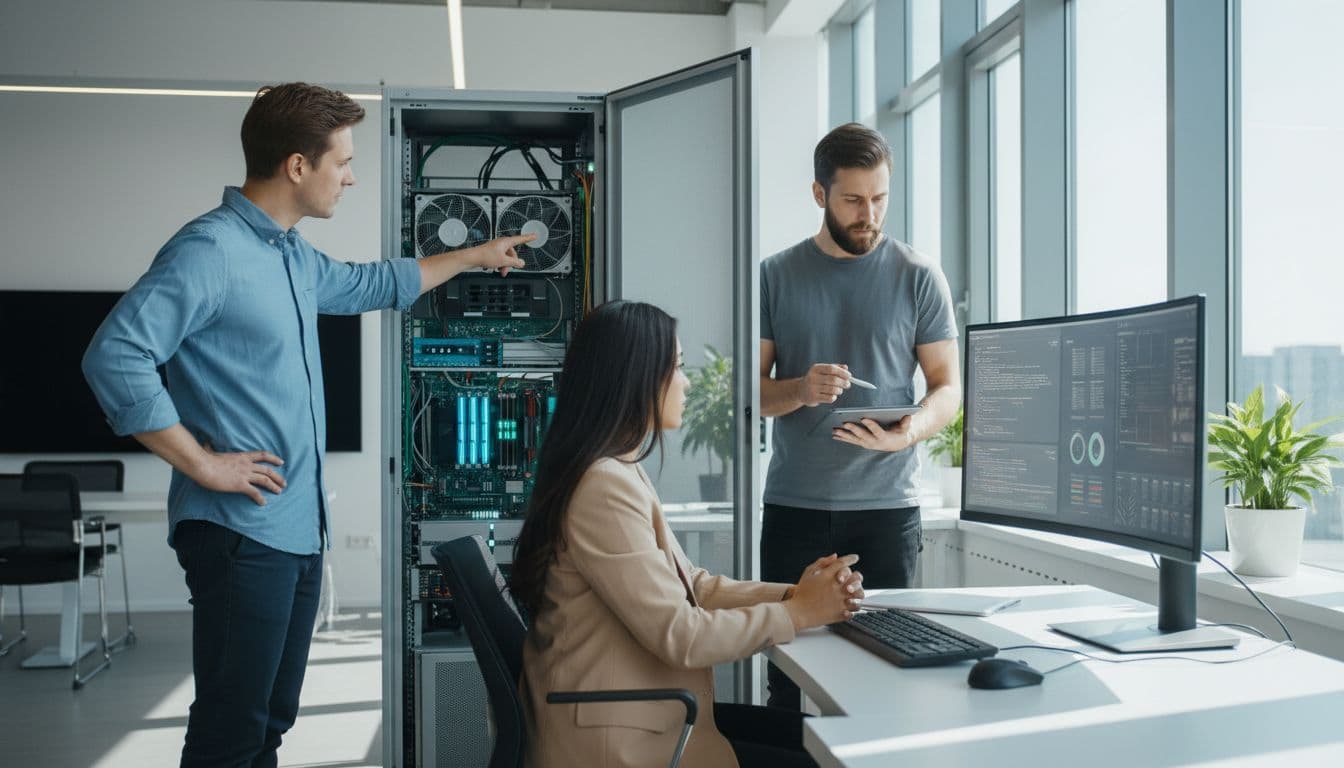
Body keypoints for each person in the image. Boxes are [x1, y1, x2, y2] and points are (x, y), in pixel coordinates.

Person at [81, 82, 533, 767]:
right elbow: (115, 355)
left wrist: (473, 256)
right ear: (297, 166)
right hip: (239, 530)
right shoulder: (211, 250)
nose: (351, 177)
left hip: (292, 529)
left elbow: (371, 284)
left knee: (268, 723)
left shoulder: (289, 254)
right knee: (232, 728)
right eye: (342, 162)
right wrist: (203, 464)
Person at [510, 300, 864, 768]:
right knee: (829, 756)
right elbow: (682, 635)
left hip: (634, 715)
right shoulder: (603, 485)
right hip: (616, 739)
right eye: (677, 367)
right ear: (637, 379)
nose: (688, 381)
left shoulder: (613, 469)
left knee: (816, 742)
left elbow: (692, 586)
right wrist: (800, 613)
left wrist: (797, 595)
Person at [759, 122, 962, 710]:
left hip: (888, 511)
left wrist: (910, 434)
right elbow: (749, 394)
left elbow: (947, 388)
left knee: (892, 673)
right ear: (820, 194)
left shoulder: (919, 276)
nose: (868, 214)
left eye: (879, 198)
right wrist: (799, 388)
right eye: (852, 200)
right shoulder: (775, 275)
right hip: (795, 508)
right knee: (789, 675)